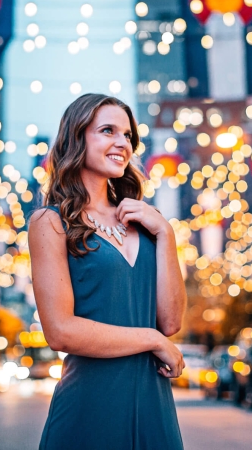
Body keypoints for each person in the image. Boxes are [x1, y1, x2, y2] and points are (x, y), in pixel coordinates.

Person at [30, 93, 187, 450]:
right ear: (77, 138)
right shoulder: (50, 222)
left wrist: (166, 234)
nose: (122, 143)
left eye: (128, 135)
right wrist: (152, 340)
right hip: (89, 408)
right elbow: (60, 332)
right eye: (107, 130)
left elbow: (172, 322)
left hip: (154, 407)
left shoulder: (145, 222)